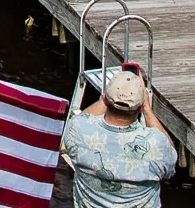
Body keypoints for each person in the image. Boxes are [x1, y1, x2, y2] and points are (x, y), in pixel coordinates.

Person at [61, 67, 176, 208]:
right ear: (140, 107)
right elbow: (171, 158)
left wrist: (107, 99)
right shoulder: (156, 144)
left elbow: (81, 119)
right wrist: (147, 110)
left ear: (105, 99)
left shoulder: (78, 130)